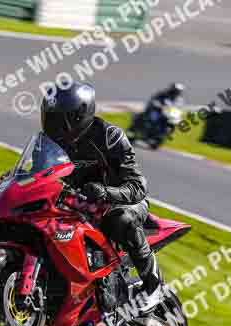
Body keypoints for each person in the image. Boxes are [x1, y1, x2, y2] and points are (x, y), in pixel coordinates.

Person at [40, 81, 163, 313]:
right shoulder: (49, 143)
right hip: (81, 204)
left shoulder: (109, 137)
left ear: (78, 116)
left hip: (124, 201)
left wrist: (106, 193)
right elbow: (36, 173)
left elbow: (138, 186)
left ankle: (153, 286)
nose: (54, 125)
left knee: (121, 219)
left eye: (60, 119)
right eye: (50, 118)